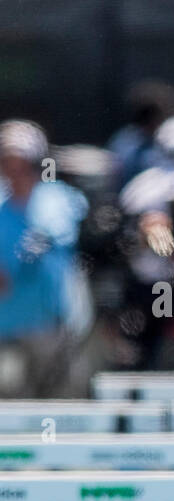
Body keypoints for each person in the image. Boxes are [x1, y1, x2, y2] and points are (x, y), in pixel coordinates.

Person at [0, 120, 89, 398]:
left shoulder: (57, 199)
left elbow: (63, 234)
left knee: (60, 399)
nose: (15, 171)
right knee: (10, 395)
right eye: (8, 162)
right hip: (6, 325)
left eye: (22, 162)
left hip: (52, 323)